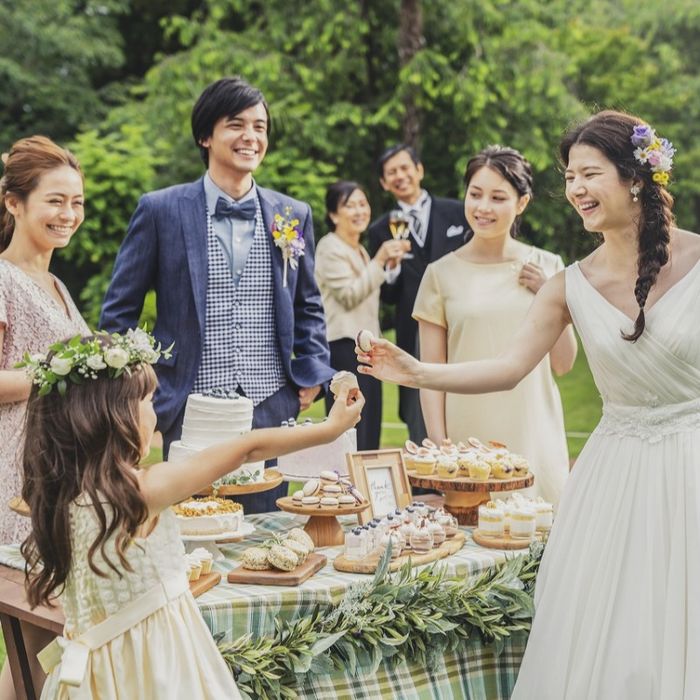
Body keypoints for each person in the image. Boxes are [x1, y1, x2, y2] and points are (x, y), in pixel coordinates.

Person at [358, 110, 700, 697]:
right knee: (609, 628)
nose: (576, 189)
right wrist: (416, 371)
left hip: (691, 465)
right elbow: (508, 367)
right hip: (613, 478)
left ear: (636, 177)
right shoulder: (569, 284)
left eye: (590, 174)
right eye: (570, 177)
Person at [20, 330, 363, 699]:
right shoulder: (139, 493)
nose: (154, 414)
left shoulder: (55, 500)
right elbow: (247, 449)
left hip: (91, 678)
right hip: (155, 669)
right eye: (148, 400)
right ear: (111, 415)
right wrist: (330, 429)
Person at [100, 76, 334, 513]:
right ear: (205, 135)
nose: (251, 137)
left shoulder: (292, 213)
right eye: (236, 125)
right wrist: (136, 394)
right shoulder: (161, 210)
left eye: (260, 127)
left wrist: (313, 372)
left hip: (270, 405)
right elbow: (119, 314)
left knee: (267, 531)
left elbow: (308, 305)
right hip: (187, 405)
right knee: (192, 531)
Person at [413, 146, 576, 505]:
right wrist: (440, 446)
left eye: (498, 197)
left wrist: (549, 293)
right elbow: (430, 373)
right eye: (475, 194)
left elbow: (564, 363)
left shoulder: (549, 266)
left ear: (522, 203)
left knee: (540, 534)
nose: (483, 207)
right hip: (466, 441)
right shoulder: (439, 275)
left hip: (534, 433)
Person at [0, 136, 90, 699]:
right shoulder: (2, 280)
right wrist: (62, 373)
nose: (69, 214)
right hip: (18, 477)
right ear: (14, 202)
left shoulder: (56, 285)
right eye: (55, 201)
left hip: (61, 475)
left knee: (38, 648)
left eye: (76, 202)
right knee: (35, 639)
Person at [368, 144, 469, 443]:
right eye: (391, 173)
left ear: (419, 170)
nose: (400, 176)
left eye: (404, 168)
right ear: (384, 183)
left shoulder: (458, 212)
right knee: (419, 409)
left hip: (461, 322)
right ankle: (425, 464)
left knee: (466, 397)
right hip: (413, 329)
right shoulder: (380, 229)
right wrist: (392, 269)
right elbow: (388, 295)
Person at [315, 181, 408, 449]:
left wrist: (386, 266)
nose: (360, 211)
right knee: (351, 429)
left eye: (363, 204)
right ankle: (344, 476)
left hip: (366, 349)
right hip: (343, 347)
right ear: (334, 215)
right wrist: (379, 261)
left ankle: (366, 476)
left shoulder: (359, 249)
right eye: (350, 205)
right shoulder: (330, 247)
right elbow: (349, 295)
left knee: (370, 424)